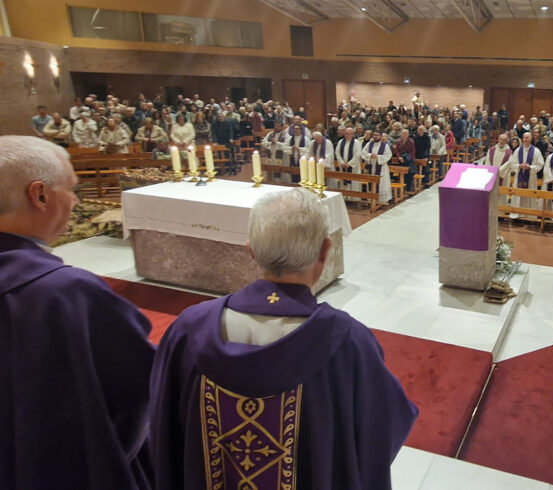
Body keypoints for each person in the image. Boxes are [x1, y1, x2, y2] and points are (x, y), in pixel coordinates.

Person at [149, 188, 417, 489]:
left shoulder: (188, 330)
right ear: (325, 250)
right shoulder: (347, 342)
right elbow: (382, 429)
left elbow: (161, 429)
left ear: (251, 251)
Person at [0, 136, 154, 489]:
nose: (75, 201)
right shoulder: (64, 293)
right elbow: (137, 388)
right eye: (71, 189)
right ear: (39, 195)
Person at [504, 132, 545, 217]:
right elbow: (512, 163)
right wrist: (519, 166)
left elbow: (540, 164)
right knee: (518, 194)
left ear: (531, 139)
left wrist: (530, 167)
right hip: (519, 176)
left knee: (529, 195)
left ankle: (529, 215)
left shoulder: (536, 151)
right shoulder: (518, 150)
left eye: (527, 138)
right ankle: (517, 213)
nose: (525, 139)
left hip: (530, 178)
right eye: (524, 138)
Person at [361, 130, 393, 205]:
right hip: (371, 167)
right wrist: (369, 155)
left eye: (377, 135)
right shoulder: (369, 144)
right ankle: (371, 199)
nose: (376, 136)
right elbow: (363, 153)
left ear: (381, 136)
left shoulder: (385, 145)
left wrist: (377, 157)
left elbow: (388, 155)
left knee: (381, 184)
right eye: (374, 135)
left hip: (381, 169)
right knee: (371, 183)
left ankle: (381, 200)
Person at [335, 127, 363, 197]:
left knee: (354, 182)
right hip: (343, 166)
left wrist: (349, 164)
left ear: (353, 134)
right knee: (343, 182)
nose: (347, 135)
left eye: (349, 134)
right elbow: (337, 152)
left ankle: (354, 198)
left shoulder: (356, 143)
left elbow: (357, 155)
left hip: (353, 168)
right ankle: (345, 196)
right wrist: (342, 162)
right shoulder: (341, 142)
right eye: (346, 134)